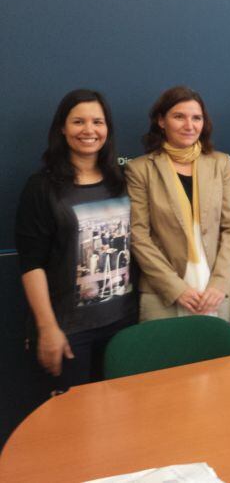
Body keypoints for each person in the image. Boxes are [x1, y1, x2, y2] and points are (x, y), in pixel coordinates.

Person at [16, 89, 137, 392]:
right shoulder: (42, 187)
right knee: (70, 431)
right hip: (69, 333)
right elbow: (32, 264)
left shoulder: (122, 181)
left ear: (107, 129)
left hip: (122, 326)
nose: (89, 130)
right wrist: (47, 328)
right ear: (62, 128)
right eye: (78, 121)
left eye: (98, 121)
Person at [125, 86, 230, 321]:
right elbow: (139, 236)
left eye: (196, 118)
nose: (189, 125)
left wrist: (220, 283)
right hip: (162, 293)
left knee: (219, 357)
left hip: (215, 292)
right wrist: (176, 288)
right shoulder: (140, 169)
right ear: (161, 120)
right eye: (179, 117)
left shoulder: (220, 163)